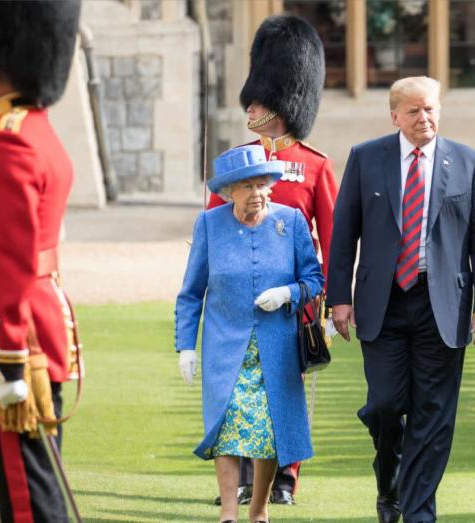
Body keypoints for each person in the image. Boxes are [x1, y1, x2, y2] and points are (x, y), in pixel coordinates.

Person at [328, 76, 475, 523]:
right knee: (385, 405)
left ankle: (419, 511)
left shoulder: (467, 161)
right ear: (394, 116)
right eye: (414, 111)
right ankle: (390, 482)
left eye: (431, 109)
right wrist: (338, 298)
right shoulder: (367, 158)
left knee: (433, 415)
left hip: (442, 303)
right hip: (382, 301)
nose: (424, 119)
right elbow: (344, 234)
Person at [206, 13, 335, 506]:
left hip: (291, 303)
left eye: (261, 100)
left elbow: (334, 239)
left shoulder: (315, 166)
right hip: (238, 299)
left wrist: (332, 299)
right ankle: (239, 478)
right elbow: (212, 232)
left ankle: (284, 478)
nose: (251, 106)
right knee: (237, 388)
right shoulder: (235, 161)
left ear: (282, 103)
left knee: (286, 391)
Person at [175, 145, 324, 523]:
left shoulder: (290, 222)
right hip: (225, 346)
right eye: (247, 187)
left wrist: (287, 293)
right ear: (229, 192)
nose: (257, 193)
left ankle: (258, 511)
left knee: (269, 429)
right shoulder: (209, 224)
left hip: (276, 347)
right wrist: (185, 348)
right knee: (226, 426)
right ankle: (228, 514)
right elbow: (192, 292)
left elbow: (313, 279)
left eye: (262, 185)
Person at [0, 1, 81, 521]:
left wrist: (9, 355)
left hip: (11, 336)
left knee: (26, 496)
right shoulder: (35, 129)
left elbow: (11, 260)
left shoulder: (5, 141)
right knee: (33, 482)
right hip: (37, 323)